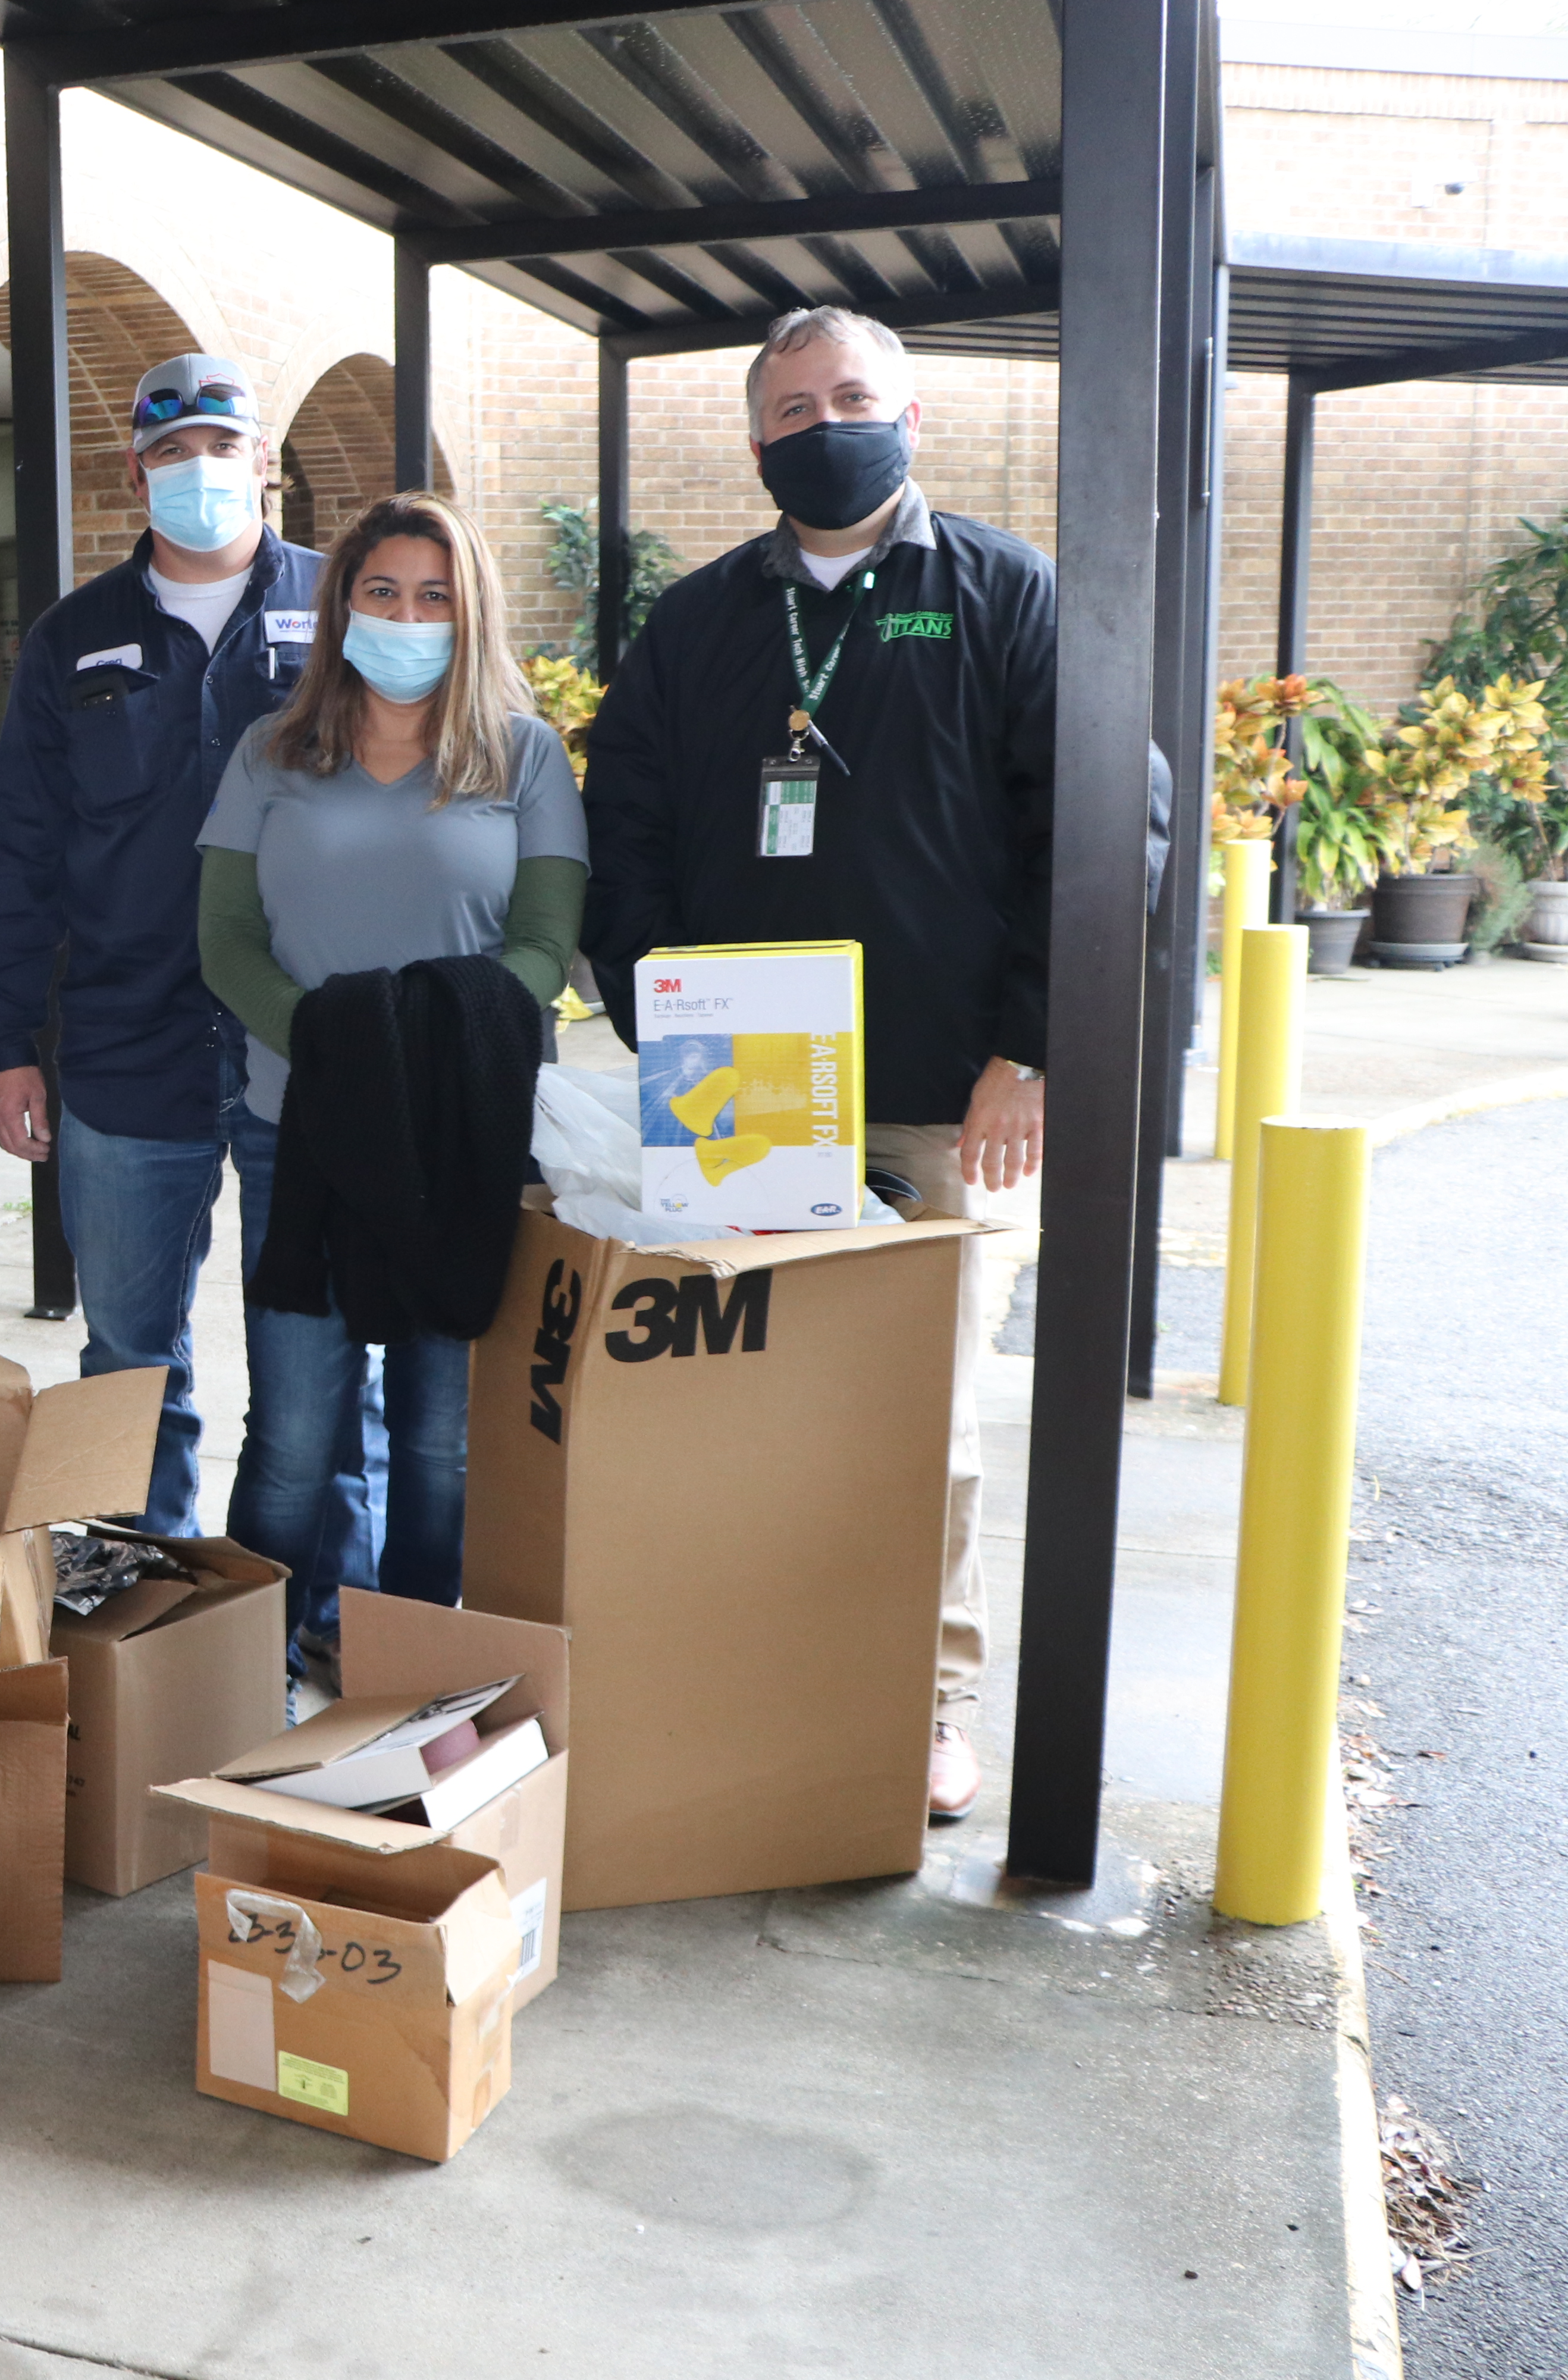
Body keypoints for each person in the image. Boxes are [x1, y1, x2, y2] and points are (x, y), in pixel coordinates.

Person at [579, 305, 1056, 1822]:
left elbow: (1098, 833)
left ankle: (930, 1702)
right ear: (757, 439)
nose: (825, 421)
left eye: (853, 395)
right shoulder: (703, 621)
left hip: (942, 1105)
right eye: (794, 406)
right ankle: (762, 1675)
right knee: (749, 1412)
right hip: (747, 1104)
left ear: (910, 418)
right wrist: (675, 1040)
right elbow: (625, 836)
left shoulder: (1002, 595)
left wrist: (1030, 1049)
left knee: (925, 1426)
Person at [0, 351, 377, 1670]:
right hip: (125, 1049)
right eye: (172, 450)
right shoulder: (72, 636)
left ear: (264, 460)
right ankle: (146, 1623)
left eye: (222, 445)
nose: (200, 471)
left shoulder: (345, 607)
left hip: (304, 1052)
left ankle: (315, 1614)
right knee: (130, 1360)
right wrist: (7, 1048)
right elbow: (22, 853)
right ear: (135, 471)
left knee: (315, 1364)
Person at [198, 492, 586, 1637]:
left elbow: (543, 946)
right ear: (342, 607)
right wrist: (335, 1051)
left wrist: (417, 1057)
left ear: (471, 614)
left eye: (435, 595)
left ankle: (411, 1668)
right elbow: (225, 944)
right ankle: (246, 1672)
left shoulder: (524, 755)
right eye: (383, 592)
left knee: (440, 1441)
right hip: (298, 1132)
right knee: (293, 1440)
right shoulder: (271, 753)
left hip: (468, 1144)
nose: (408, 616)